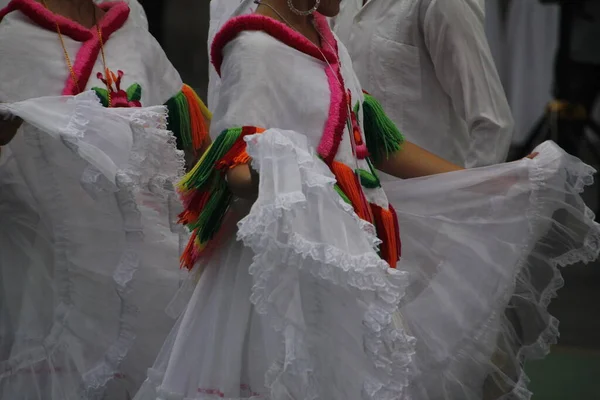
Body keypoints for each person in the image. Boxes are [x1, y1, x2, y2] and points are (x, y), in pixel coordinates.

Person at [135, 0, 599, 399]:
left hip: (349, 256)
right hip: (278, 275)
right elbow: (230, 168)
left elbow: (378, 143)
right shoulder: (254, 48)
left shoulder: (327, 40)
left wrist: (494, 182)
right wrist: (286, 177)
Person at [0, 0, 210, 398]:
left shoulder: (130, 22)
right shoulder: (10, 36)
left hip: (149, 270)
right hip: (51, 273)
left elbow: (182, 136)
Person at [333, 0, 514, 168]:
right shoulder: (340, 5)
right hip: (353, 191)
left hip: (428, 195)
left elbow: (492, 123)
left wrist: (466, 195)